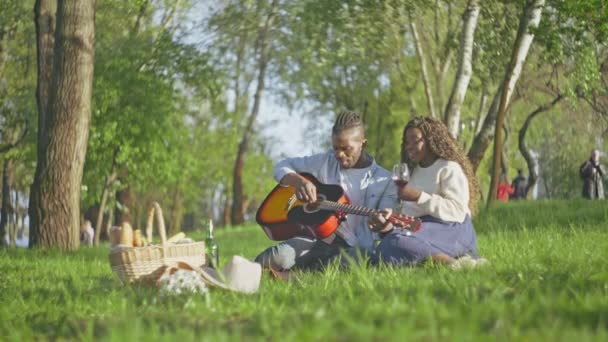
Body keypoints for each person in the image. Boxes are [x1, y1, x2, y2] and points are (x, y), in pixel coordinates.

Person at [254, 110, 398, 272]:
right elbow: (281, 166)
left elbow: (386, 224)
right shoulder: (324, 161)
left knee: (356, 260)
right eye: (335, 148)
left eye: (346, 149)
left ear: (363, 144)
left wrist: (383, 225)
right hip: (314, 239)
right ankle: (245, 273)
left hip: (353, 248)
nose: (338, 154)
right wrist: (298, 181)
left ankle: (300, 273)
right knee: (275, 257)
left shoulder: (385, 180)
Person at [369, 116, 482, 267]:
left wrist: (418, 196)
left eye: (415, 140)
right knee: (383, 248)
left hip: (455, 230)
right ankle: (455, 261)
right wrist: (389, 225)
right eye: (406, 142)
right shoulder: (412, 173)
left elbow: (458, 212)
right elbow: (411, 219)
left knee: (396, 242)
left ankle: (453, 265)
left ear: (430, 140)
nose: (408, 146)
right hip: (424, 230)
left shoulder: (448, 168)